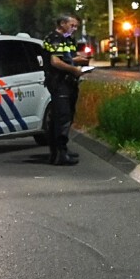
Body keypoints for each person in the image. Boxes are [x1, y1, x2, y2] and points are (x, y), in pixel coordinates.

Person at [41, 13, 87, 165]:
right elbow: (55, 61)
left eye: (76, 26)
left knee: (65, 117)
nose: (74, 29)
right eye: (72, 25)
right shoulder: (54, 38)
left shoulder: (67, 39)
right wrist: (74, 70)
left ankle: (61, 150)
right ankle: (59, 154)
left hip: (67, 83)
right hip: (59, 82)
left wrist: (76, 60)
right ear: (62, 23)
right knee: (62, 118)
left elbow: (66, 57)